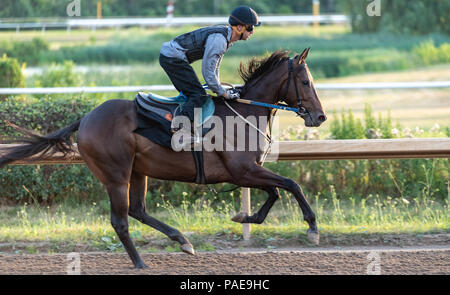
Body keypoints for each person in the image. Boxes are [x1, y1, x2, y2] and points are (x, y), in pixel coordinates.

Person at [159, 5, 261, 143]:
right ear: (239, 27)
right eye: (250, 28)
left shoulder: (226, 38)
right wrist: (223, 93)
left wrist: (218, 88)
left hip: (174, 57)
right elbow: (207, 72)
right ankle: (179, 128)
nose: (252, 32)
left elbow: (215, 68)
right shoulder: (219, 40)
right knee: (198, 94)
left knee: (198, 92)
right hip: (172, 58)